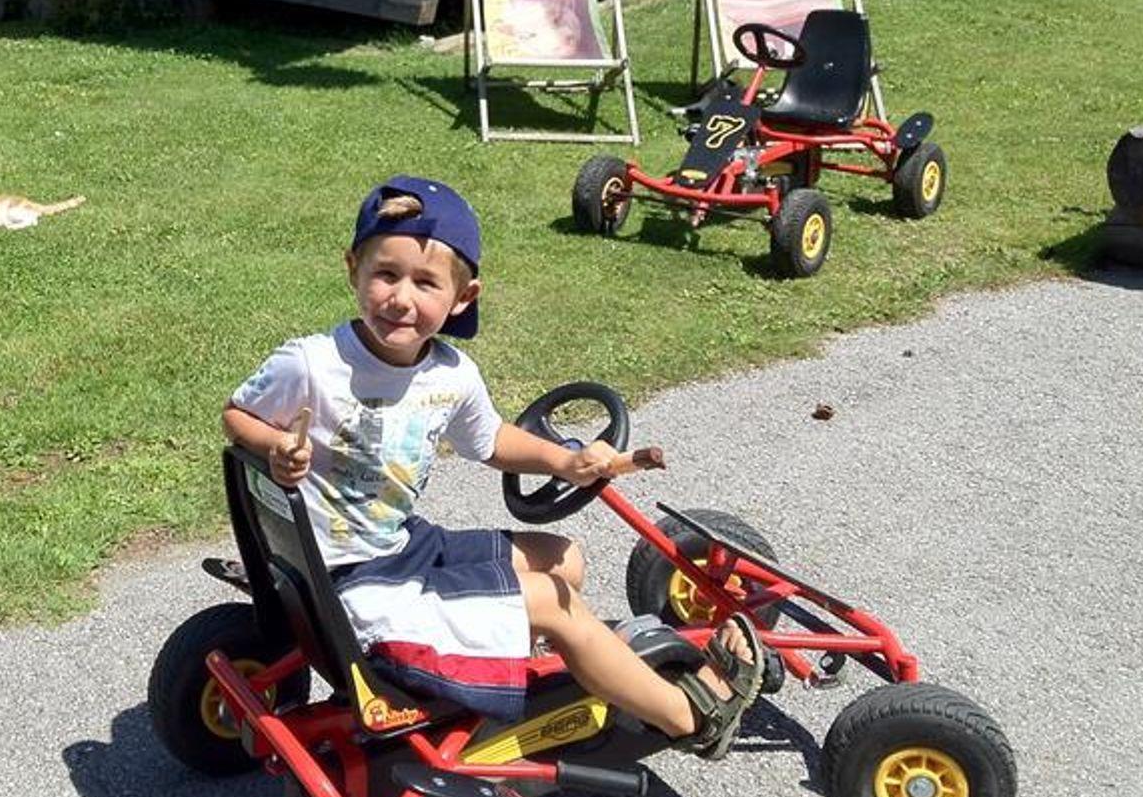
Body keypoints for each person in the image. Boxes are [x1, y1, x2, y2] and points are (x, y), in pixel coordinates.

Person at [223, 175, 763, 753]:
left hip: (399, 549)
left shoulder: (450, 375)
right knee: (553, 602)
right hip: (353, 589)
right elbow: (237, 415)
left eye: (425, 282)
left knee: (563, 560)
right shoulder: (312, 364)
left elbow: (492, 440)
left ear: (463, 296)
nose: (401, 298)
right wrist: (275, 446)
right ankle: (694, 717)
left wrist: (566, 460)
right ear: (353, 268)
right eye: (386, 274)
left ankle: (510, 657)